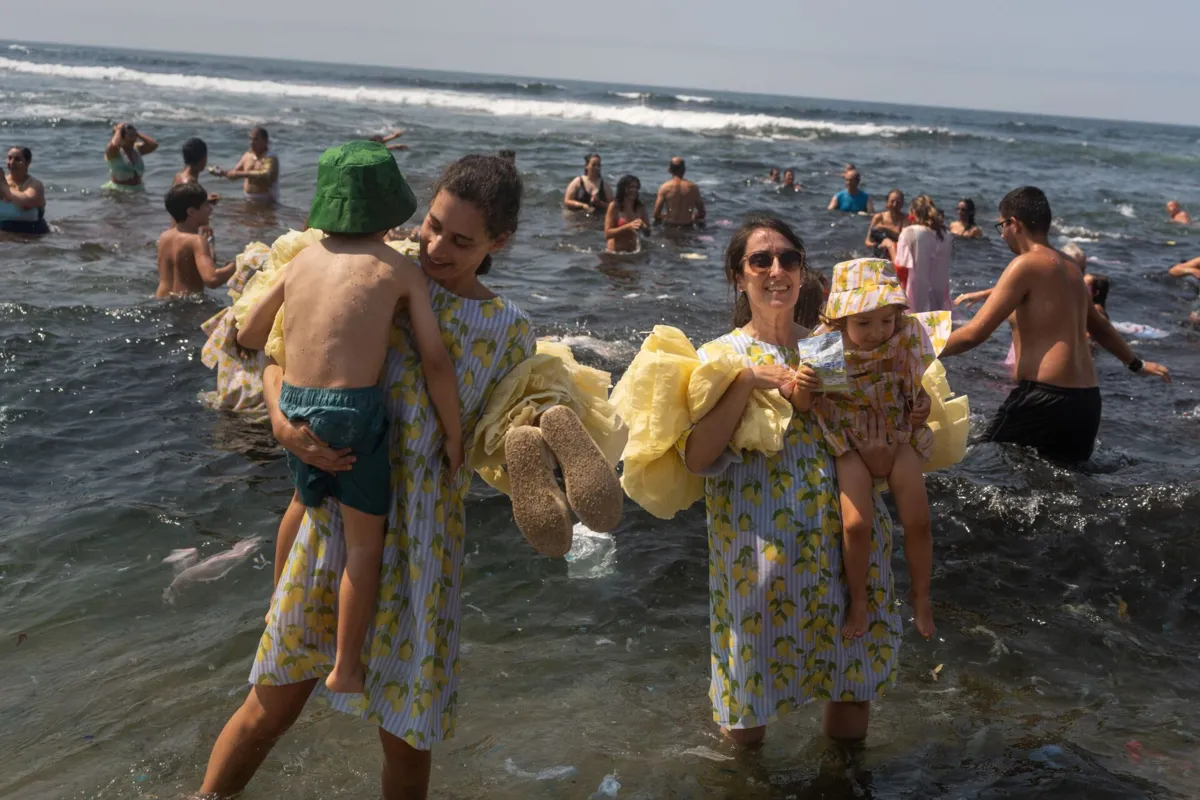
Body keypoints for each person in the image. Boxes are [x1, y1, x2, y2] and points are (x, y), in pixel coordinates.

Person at [200, 154, 535, 800]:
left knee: (408, 739)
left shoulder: (507, 331)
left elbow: (512, 423)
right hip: (335, 523)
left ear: (500, 242)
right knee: (270, 706)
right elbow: (276, 359)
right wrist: (280, 422)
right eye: (431, 225)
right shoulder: (374, 270)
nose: (435, 246)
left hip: (424, 549)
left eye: (461, 240)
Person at [678, 214, 923, 747]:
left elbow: (868, 436)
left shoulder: (832, 346)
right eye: (760, 260)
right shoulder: (720, 356)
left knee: (850, 689)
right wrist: (746, 382)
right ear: (738, 276)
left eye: (788, 258)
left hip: (842, 546)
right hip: (756, 552)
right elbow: (697, 458)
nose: (776, 269)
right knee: (747, 711)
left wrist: (888, 450)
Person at [247, 141, 464, 695]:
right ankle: (346, 664)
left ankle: (279, 610)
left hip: (294, 402)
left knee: (302, 501)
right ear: (393, 213)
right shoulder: (396, 269)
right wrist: (455, 435)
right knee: (364, 543)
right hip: (354, 410)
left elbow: (248, 333)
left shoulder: (301, 261)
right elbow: (435, 361)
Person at [941, 187, 1169, 463]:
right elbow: (1101, 328)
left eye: (1002, 226)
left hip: (1043, 397)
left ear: (1014, 223)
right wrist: (1138, 365)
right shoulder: (1071, 267)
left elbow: (973, 334)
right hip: (1087, 403)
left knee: (972, 460)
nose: (1002, 234)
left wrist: (916, 349)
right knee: (1065, 484)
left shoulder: (1024, 265)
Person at [813, 258, 937, 640]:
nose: (877, 332)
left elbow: (918, 388)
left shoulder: (905, 334)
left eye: (886, 320)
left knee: (918, 519)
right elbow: (819, 401)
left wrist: (923, 405)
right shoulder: (826, 346)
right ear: (839, 319)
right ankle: (860, 600)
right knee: (855, 524)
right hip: (847, 437)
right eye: (863, 323)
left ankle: (921, 597)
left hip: (896, 431)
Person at [155, 183, 235, 298]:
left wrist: (210, 249)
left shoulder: (164, 236)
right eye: (205, 205)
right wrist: (238, 263)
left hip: (161, 300)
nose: (210, 209)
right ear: (191, 212)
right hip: (188, 306)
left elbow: (184, 266)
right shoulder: (197, 240)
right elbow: (212, 279)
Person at [894, 194, 952, 311]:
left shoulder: (909, 232)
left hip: (914, 297)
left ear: (913, 212)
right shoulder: (946, 235)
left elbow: (900, 270)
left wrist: (890, 247)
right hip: (939, 297)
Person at [211, 127, 280, 204]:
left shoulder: (270, 157)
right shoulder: (247, 155)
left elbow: (266, 174)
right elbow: (235, 174)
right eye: (250, 139)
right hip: (247, 199)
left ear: (265, 141)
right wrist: (222, 173)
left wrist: (241, 174)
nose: (251, 142)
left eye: (255, 139)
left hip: (266, 202)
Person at [0, 146, 49, 235]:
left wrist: (3, 187)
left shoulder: (35, 185)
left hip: (31, 237)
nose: (12, 162)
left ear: (28, 162)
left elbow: (27, 202)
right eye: (10, 158)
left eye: (17, 159)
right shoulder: (2, 182)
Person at [104, 122, 158, 191]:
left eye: (133, 134)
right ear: (120, 136)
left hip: (138, 190)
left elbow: (154, 145)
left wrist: (137, 134)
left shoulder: (137, 149)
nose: (132, 136)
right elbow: (114, 144)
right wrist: (119, 129)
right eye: (129, 134)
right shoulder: (114, 151)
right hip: (118, 191)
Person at [653, 157, 706, 226]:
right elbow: (702, 213)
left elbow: (656, 214)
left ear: (669, 170)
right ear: (684, 170)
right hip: (688, 227)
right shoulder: (693, 188)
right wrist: (693, 216)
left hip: (671, 226)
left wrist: (663, 217)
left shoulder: (665, 187)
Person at [604, 174, 650, 252]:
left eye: (636, 187)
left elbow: (648, 233)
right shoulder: (614, 206)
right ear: (623, 188)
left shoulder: (640, 207)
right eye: (631, 187)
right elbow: (607, 234)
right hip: (615, 253)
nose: (634, 190)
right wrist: (628, 227)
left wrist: (643, 226)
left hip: (634, 252)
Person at [173, 138, 220, 204]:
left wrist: (205, 199)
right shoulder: (191, 184)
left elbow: (185, 204)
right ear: (204, 158)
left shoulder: (178, 176)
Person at [864, 189, 906, 259]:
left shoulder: (905, 219)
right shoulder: (879, 217)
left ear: (902, 204)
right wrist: (876, 246)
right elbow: (867, 242)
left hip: (897, 255)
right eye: (892, 201)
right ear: (887, 202)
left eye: (898, 202)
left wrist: (885, 229)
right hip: (879, 254)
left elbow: (905, 240)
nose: (895, 205)